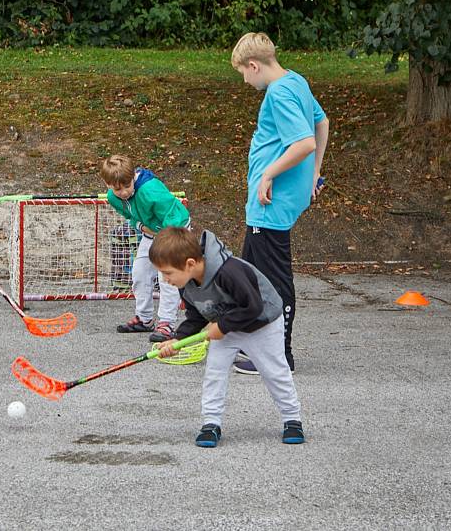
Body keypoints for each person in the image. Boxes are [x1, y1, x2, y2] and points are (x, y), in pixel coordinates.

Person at [229, 32, 329, 375]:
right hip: (270, 203)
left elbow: (303, 142)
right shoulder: (296, 80)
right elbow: (322, 121)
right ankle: (254, 341)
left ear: (254, 65)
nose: (244, 79)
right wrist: (315, 174)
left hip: (272, 203)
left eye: (243, 71)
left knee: (274, 279)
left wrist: (269, 173)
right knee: (250, 274)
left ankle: (279, 355)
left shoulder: (279, 92)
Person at [151, 227, 304, 447]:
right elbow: (196, 315)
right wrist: (178, 339)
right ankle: (211, 423)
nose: (165, 280)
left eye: (167, 273)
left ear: (190, 264)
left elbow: (253, 306)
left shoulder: (229, 271)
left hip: (262, 323)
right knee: (214, 372)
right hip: (227, 325)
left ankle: (292, 419)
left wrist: (221, 326)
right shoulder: (186, 284)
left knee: (275, 372)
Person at [100, 154, 191, 342]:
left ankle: (166, 323)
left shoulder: (150, 190)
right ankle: (145, 318)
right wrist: (141, 227)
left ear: (133, 176)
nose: (124, 192)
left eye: (127, 186)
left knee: (166, 277)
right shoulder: (113, 197)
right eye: (118, 189)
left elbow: (173, 215)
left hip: (174, 230)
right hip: (151, 233)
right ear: (108, 185)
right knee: (139, 272)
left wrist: (167, 241)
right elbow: (130, 216)